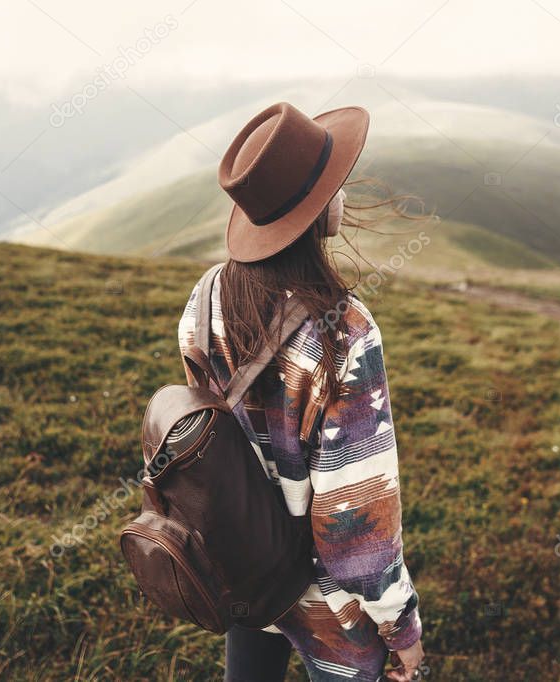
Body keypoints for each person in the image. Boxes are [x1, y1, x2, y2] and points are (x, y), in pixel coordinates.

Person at [177, 102, 425, 682]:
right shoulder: (344, 332)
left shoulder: (206, 295)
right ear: (313, 210)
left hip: (246, 564)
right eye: (334, 182)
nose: (342, 191)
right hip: (326, 603)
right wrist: (402, 630)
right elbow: (355, 526)